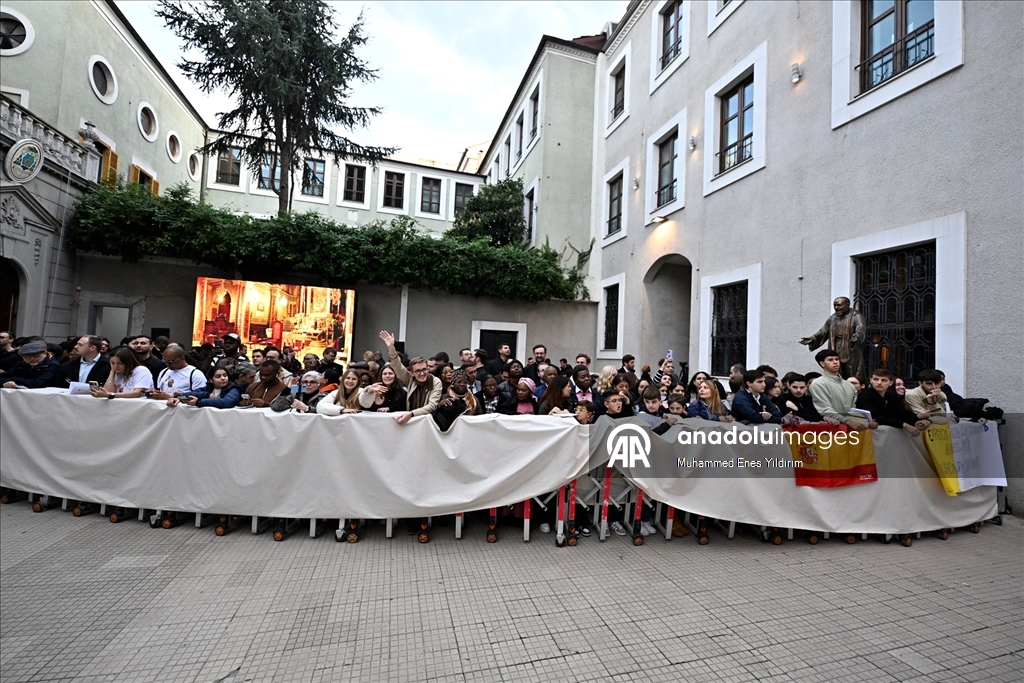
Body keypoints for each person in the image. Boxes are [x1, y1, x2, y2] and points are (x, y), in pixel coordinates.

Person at [379, 330, 442, 425]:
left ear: (428, 369)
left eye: (424, 369)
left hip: (428, 423)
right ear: (412, 373)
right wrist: (391, 348)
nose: (422, 373)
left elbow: (432, 406)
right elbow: (397, 366)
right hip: (410, 422)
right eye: (418, 371)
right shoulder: (410, 379)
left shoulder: (435, 381)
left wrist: (411, 414)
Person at [800, 297, 869, 380]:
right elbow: (823, 331)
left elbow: (861, 328)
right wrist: (813, 338)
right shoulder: (832, 318)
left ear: (847, 305)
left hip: (850, 348)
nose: (836, 308)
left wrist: (857, 336)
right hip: (835, 347)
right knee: (835, 372)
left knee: (851, 373)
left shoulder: (856, 316)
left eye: (839, 305)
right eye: (835, 305)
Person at [808, 349, 876, 428]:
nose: (835, 362)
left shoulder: (849, 385)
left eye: (837, 359)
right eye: (830, 360)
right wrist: (847, 421)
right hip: (831, 428)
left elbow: (853, 410)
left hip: (850, 428)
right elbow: (824, 409)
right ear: (822, 363)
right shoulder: (818, 384)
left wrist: (866, 420)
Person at [856, 368, 930, 436]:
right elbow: (875, 417)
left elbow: (902, 413)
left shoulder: (892, 397)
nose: (879, 383)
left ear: (890, 383)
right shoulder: (864, 396)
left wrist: (917, 421)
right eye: (876, 379)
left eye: (884, 380)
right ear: (871, 380)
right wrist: (903, 425)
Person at [89, 346, 154, 399]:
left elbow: (137, 393)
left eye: (120, 363)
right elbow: (107, 391)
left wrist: (111, 395)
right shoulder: (117, 373)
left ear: (128, 362)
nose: (116, 366)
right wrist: (112, 372)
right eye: (112, 363)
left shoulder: (141, 370)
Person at [168, 366, 243, 409]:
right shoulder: (209, 387)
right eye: (218, 376)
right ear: (211, 380)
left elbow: (227, 402)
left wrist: (198, 402)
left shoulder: (234, 388)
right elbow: (193, 393)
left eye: (225, 375)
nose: (223, 378)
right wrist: (179, 397)